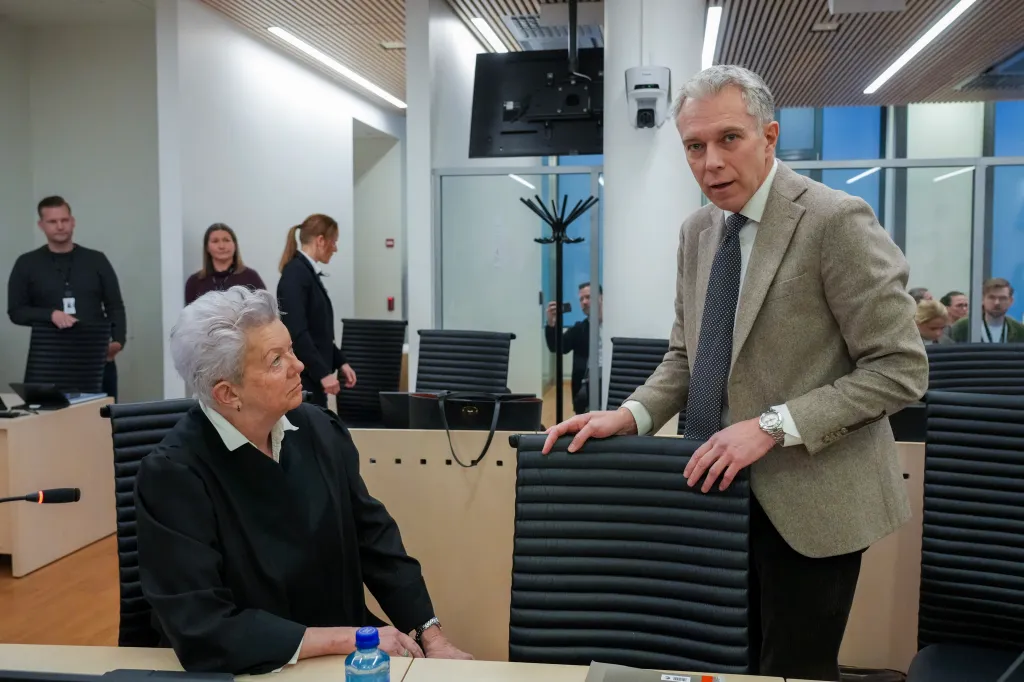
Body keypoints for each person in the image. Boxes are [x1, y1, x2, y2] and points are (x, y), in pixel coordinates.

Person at [542, 66, 928, 681]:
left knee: (791, 669)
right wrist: (630, 414)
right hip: (716, 493)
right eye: (694, 146)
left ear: (769, 137)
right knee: (725, 664)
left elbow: (900, 369)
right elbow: (685, 358)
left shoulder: (835, 221)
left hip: (813, 503)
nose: (710, 161)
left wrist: (772, 426)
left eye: (729, 139)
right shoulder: (698, 232)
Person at [135, 287, 472, 674]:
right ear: (228, 393)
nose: (298, 366)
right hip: (252, 664)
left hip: (345, 653)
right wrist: (348, 637)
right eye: (276, 360)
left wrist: (431, 634)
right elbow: (203, 626)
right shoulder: (174, 475)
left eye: (291, 350)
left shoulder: (317, 429)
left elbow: (374, 540)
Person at [7, 195, 126, 399]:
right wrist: (49, 314)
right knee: (48, 423)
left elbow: (115, 305)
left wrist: (118, 341)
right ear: (41, 225)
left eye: (64, 220)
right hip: (49, 359)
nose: (60, 226)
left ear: (73, 221)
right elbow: (16, 312)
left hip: (95, 354)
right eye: (52, 222)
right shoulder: (26, 263)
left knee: (101, 421)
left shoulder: (96, 260)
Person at [276, 214, 357, 408]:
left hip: (312, 377)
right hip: (304, 380)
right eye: (334, 242)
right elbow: (297, 333)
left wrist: (340, 362)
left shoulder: (306, 273)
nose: (335, 248)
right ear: (320, 241)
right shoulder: (295, 275)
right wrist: (323, 373)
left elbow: (318, 332)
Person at [545, 282, 602, 413]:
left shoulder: (613, 327)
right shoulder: (579, 328)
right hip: (584, 389)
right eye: (581, 299)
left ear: (601, 297)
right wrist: (551, 323)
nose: (584, 302)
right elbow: (556, 347)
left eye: (588, 297)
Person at [184, 223, 266, 304]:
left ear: (235, 245)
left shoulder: (250, 277)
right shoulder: (195, 282)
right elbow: (189, 316)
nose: (222, 246)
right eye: (215, 241)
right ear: (207, 248)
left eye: (226, 240)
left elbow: (266, 311)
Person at [948, 277, 1024, 343]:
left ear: (1011, 301)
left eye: (1002, 298)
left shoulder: (1020, 330)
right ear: (982, 299)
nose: (997, 303)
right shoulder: (961, 328)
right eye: (991, 297)